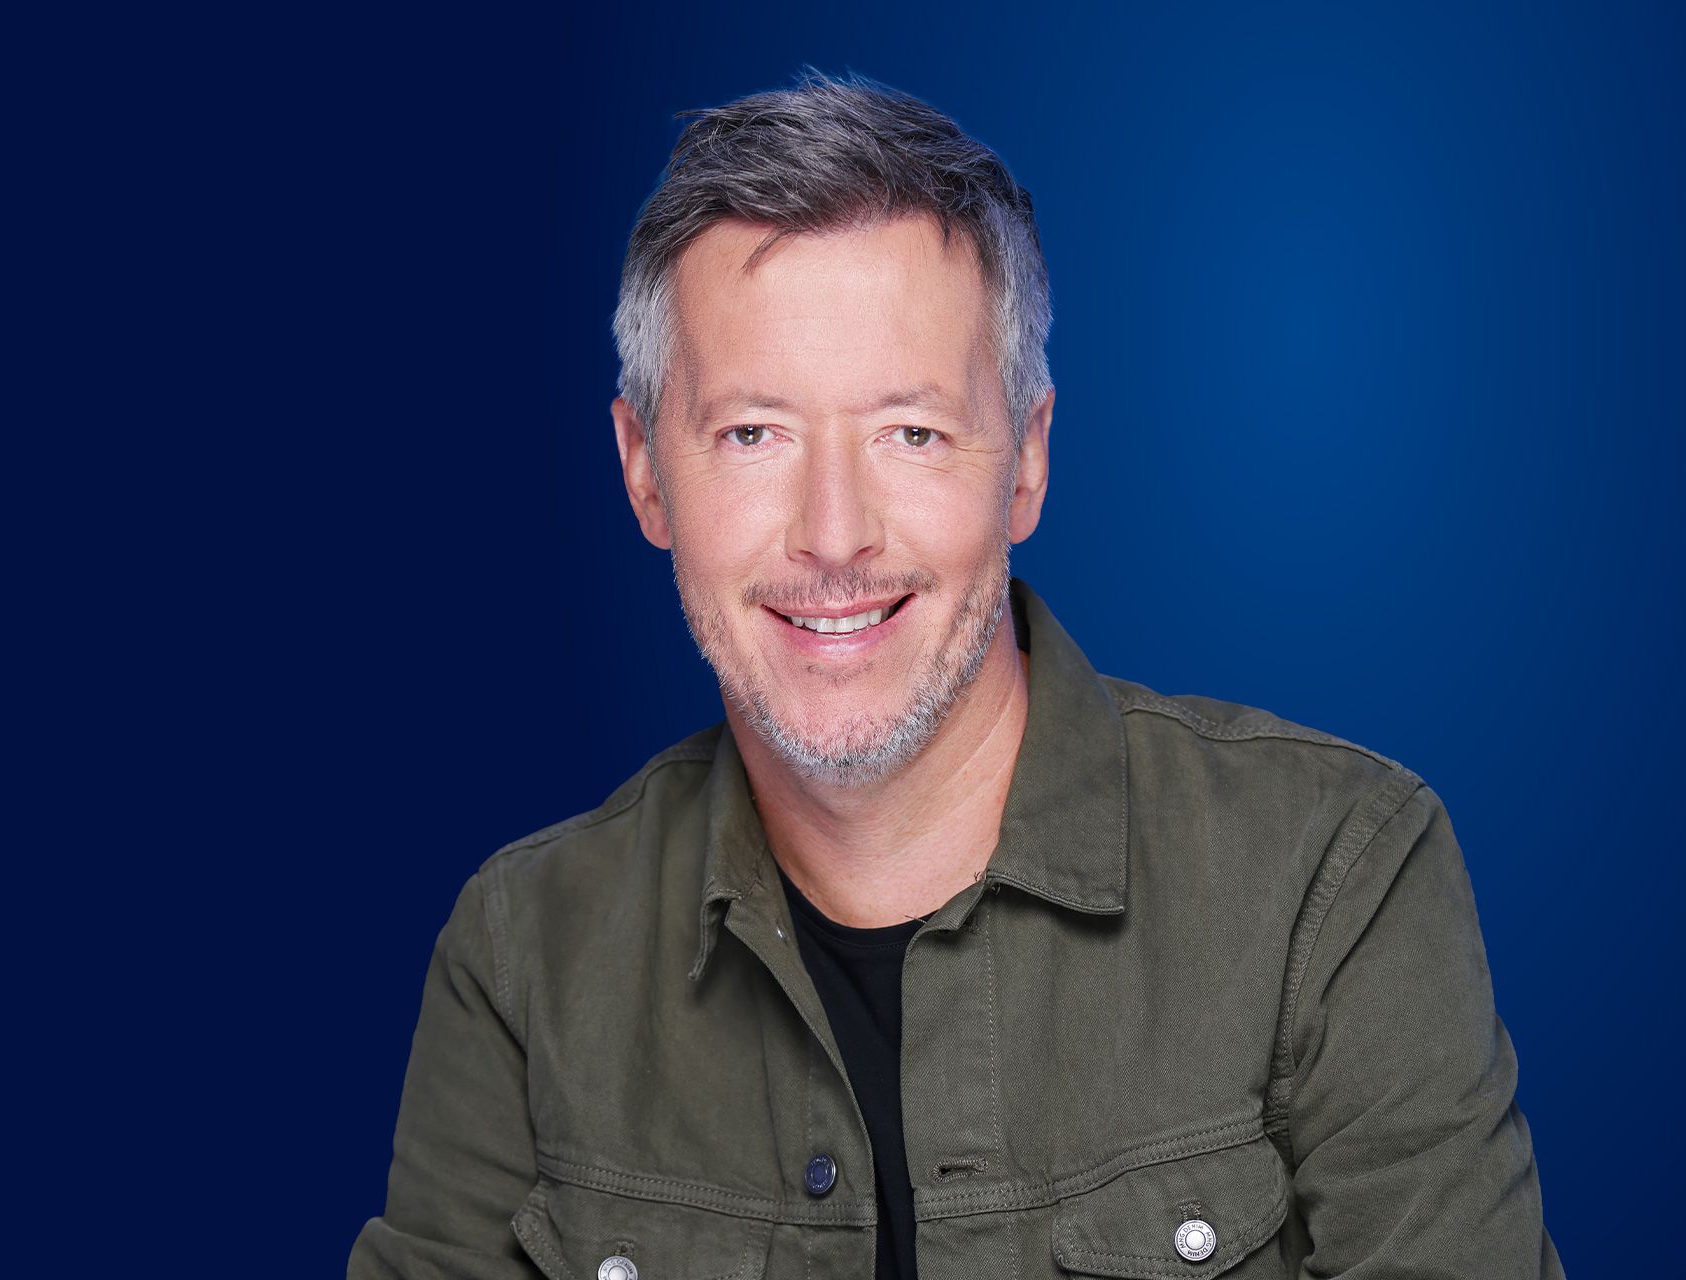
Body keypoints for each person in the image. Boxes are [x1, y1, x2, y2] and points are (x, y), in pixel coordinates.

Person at [350, 67, 1562, 1280]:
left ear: (1025, 460)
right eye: (754, 433)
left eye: (911, 432)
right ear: (643, 471)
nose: (834, 534)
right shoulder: (521, 958)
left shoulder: (1332, 876)